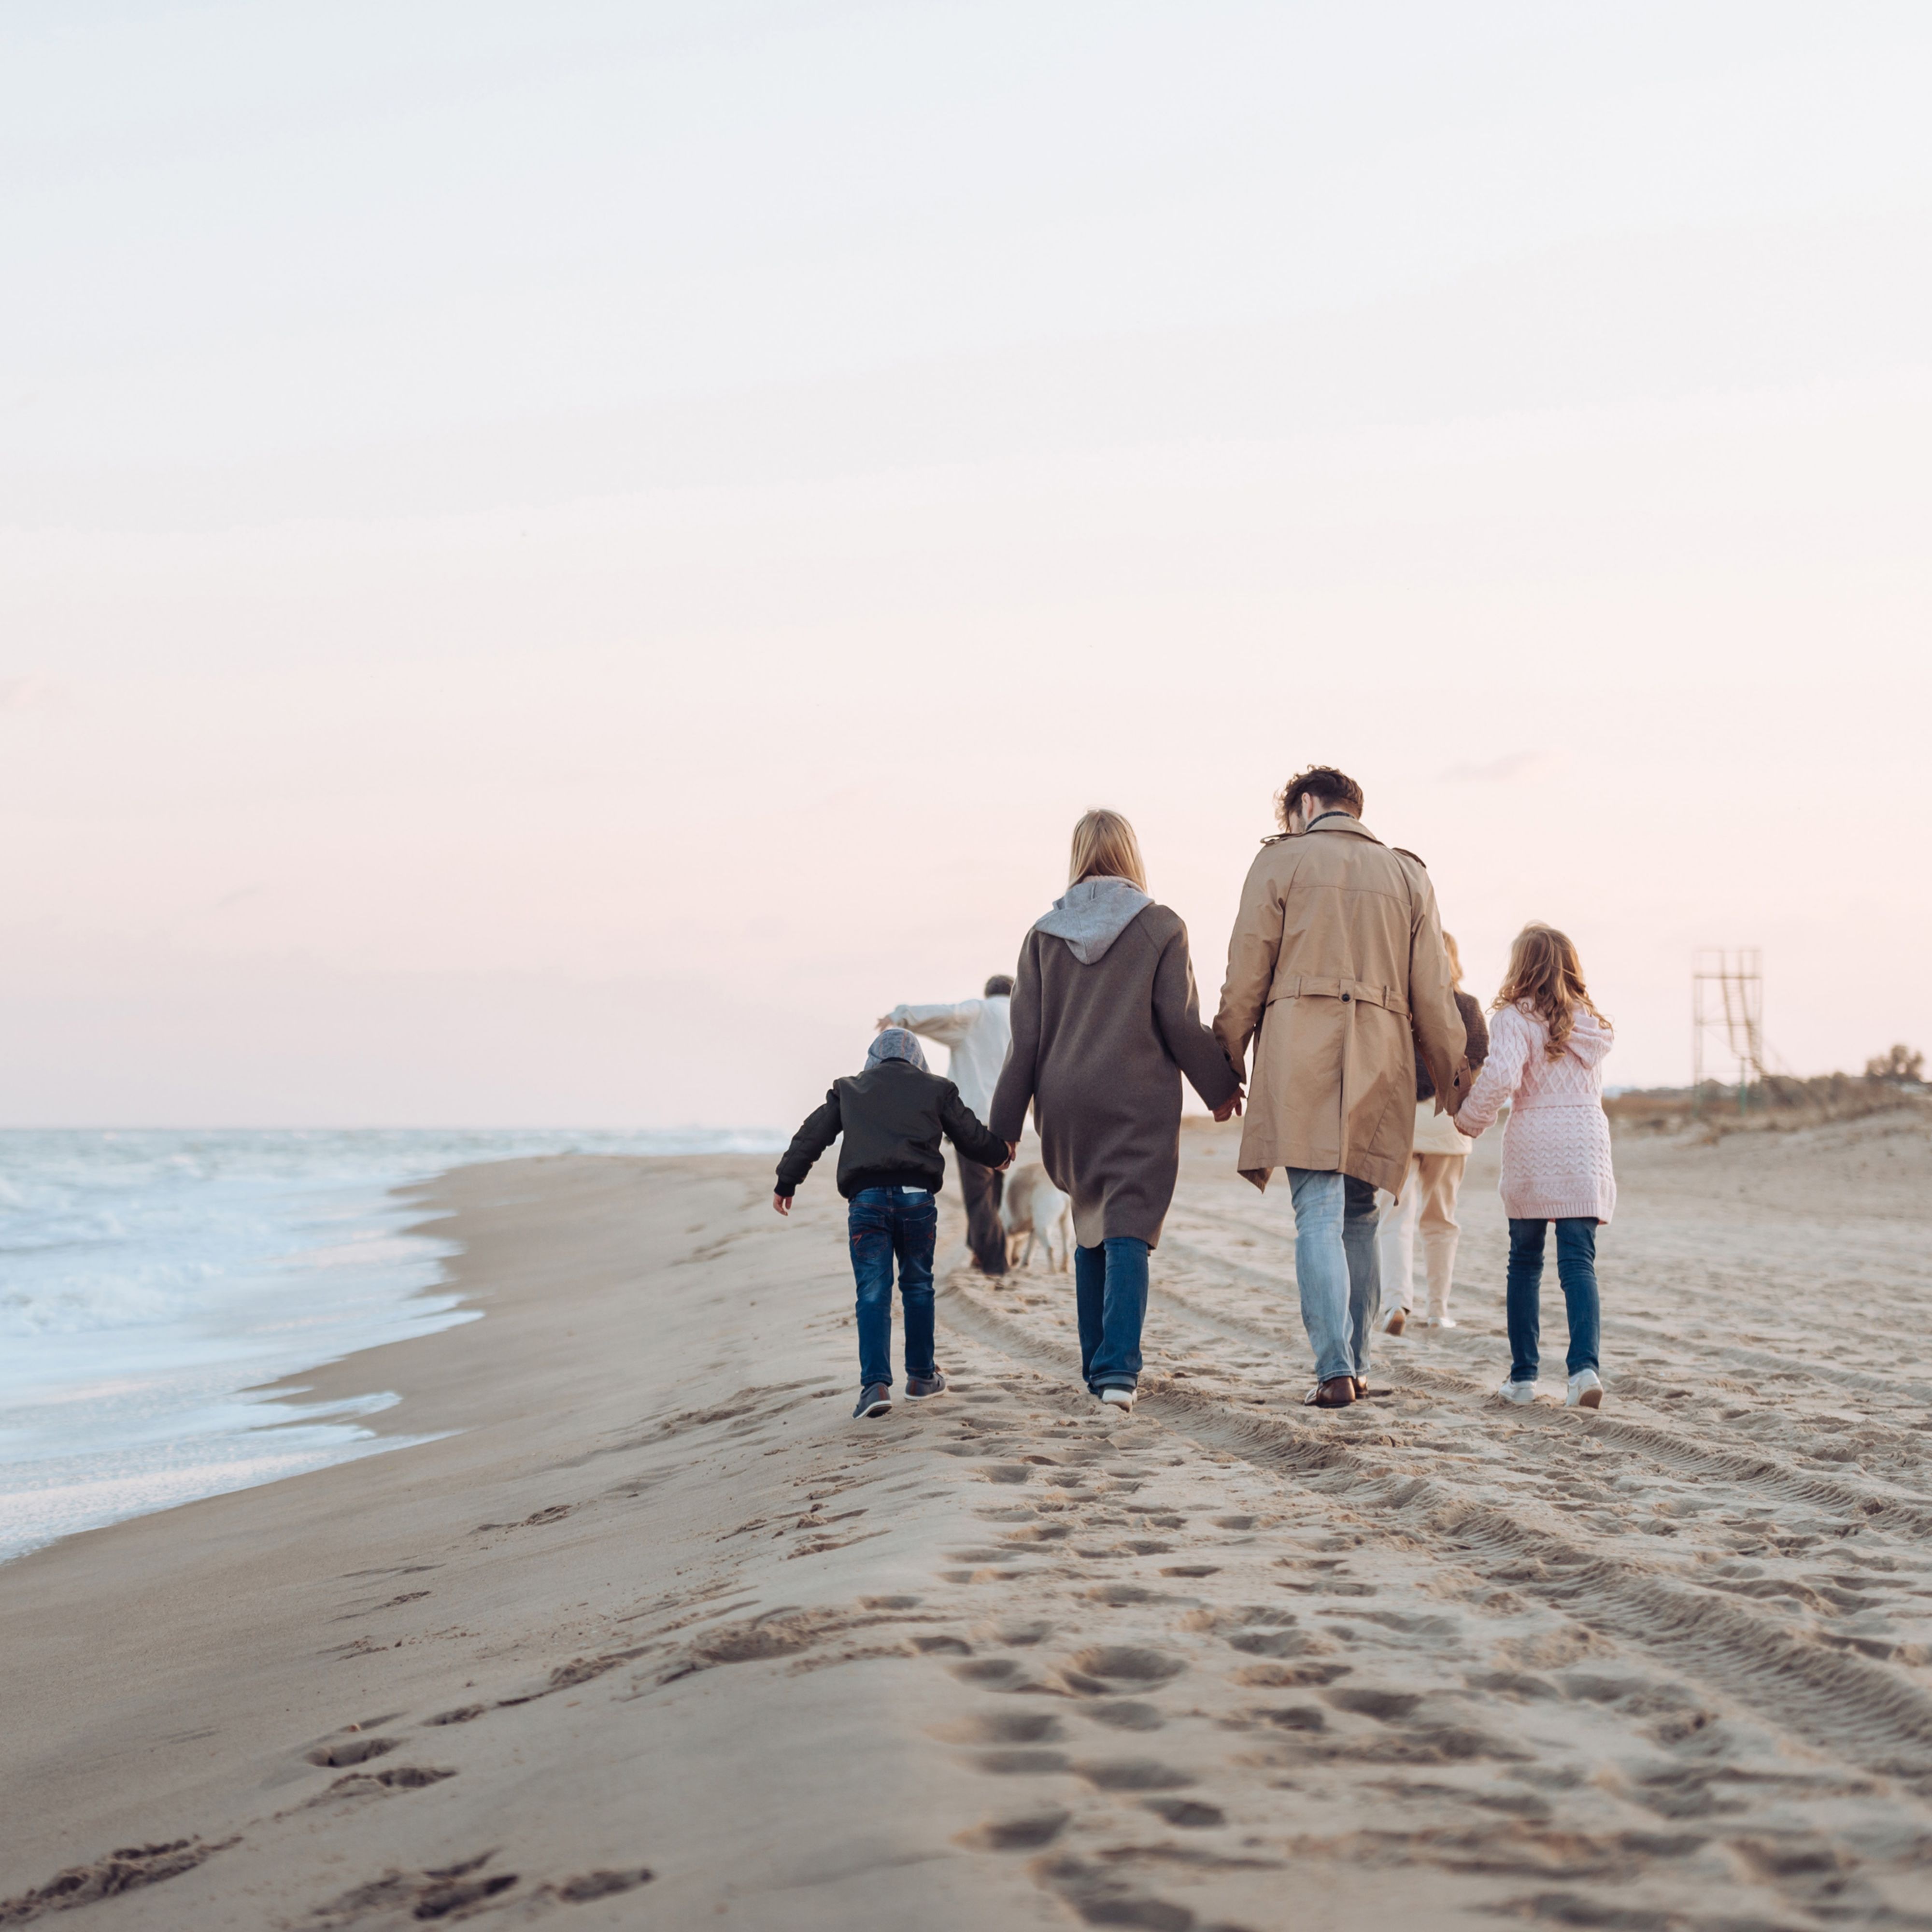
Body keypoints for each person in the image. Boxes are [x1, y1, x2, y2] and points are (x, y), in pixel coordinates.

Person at [1213, 767, 1470, 1410]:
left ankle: (1332, 1369)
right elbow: (1434, 993)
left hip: (1303, 1048)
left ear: (1304, 805)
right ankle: (1355, 1363)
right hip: (1383, 1055)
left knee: (1319, 1212)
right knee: (1361, 1213)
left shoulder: (1282, 863)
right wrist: (1453, 1080)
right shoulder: (1409, 875)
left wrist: (1226, 1059)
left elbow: (1246, 969)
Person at [989, 809, 1240, 1414]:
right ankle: (1118, 1373)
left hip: (1064, 1101)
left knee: (1089, 1218)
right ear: (1130, 855)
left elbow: (1024, 1040)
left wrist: (1000, 1131)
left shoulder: (1043, 934)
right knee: (1128, 1222)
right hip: (1136, 1097)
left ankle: (1096, 1365)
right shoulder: (1159, 926)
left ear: (1077, 856)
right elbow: (1179, 1022)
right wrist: (1220, 1087)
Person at [772, 1027, 1010, 1420]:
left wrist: (786, 1181)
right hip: (917, 1201)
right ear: (917, 1058)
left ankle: (875, 1387)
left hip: (866, 1202)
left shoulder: (849, 1089)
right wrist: (1000, 1154)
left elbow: (812, 1135)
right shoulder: (936, 1088)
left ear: (874, 1058)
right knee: (918, 1286)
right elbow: (970, 1135)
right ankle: (920, 1378)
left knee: (872, 1291)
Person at [1451, 924, 1615, 1410]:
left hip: (1535, 1143)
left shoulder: (1513, 1017)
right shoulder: (1590, 1021)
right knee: (1578, 1262)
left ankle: (1523, 1379)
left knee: (1524, 1262)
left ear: (1520, 964)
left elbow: (1501, 1076)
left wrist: (1469, 1118)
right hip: (1586, 1143)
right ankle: (1584, 1370)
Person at [1377, 931, 1490, 1334]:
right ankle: (1439, 1311)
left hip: (1402, 1122)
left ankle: (1395, 1304)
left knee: (1395, 1216)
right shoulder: (1468, 1007)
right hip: (1449, 1124)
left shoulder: (1398, 1007)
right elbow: (1477, 1059)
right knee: (1441, 1220)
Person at [877, 978, 1014, 1276]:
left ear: (988, 993)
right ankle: (981, 1251)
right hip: (1008, 1121)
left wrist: (901, 1015)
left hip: (974, 1120)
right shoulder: (1020, 1017)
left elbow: (949, 1013)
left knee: (979, 1194)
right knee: (994, 1189)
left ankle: (995, 1264)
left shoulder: (980, 1012)